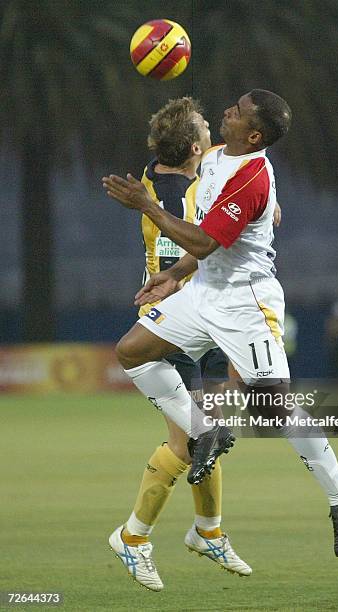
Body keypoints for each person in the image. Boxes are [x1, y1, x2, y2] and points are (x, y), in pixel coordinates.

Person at [102, 89, 338, 566]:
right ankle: (200, 430)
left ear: (254, 134)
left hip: (246, 302)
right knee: (132, 350)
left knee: (272, 407)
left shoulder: (252, 176)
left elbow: (207, 241)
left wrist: (148, 206)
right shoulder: (212, 157)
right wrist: (171, 275)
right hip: (203, 292)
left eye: (239, 111)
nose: (227, 110)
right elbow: (207, 251)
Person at [108, 97, 251, 592]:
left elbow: (216, 159)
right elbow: (201, 242)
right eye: (207, 129)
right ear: (195, 146)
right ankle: (133, 536)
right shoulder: (175, 199)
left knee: (205, 438)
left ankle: (208, 531)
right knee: (189, 442)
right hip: (176, 324)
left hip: (201, 321)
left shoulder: (164, 175)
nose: (216, 133)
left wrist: (264, 199)